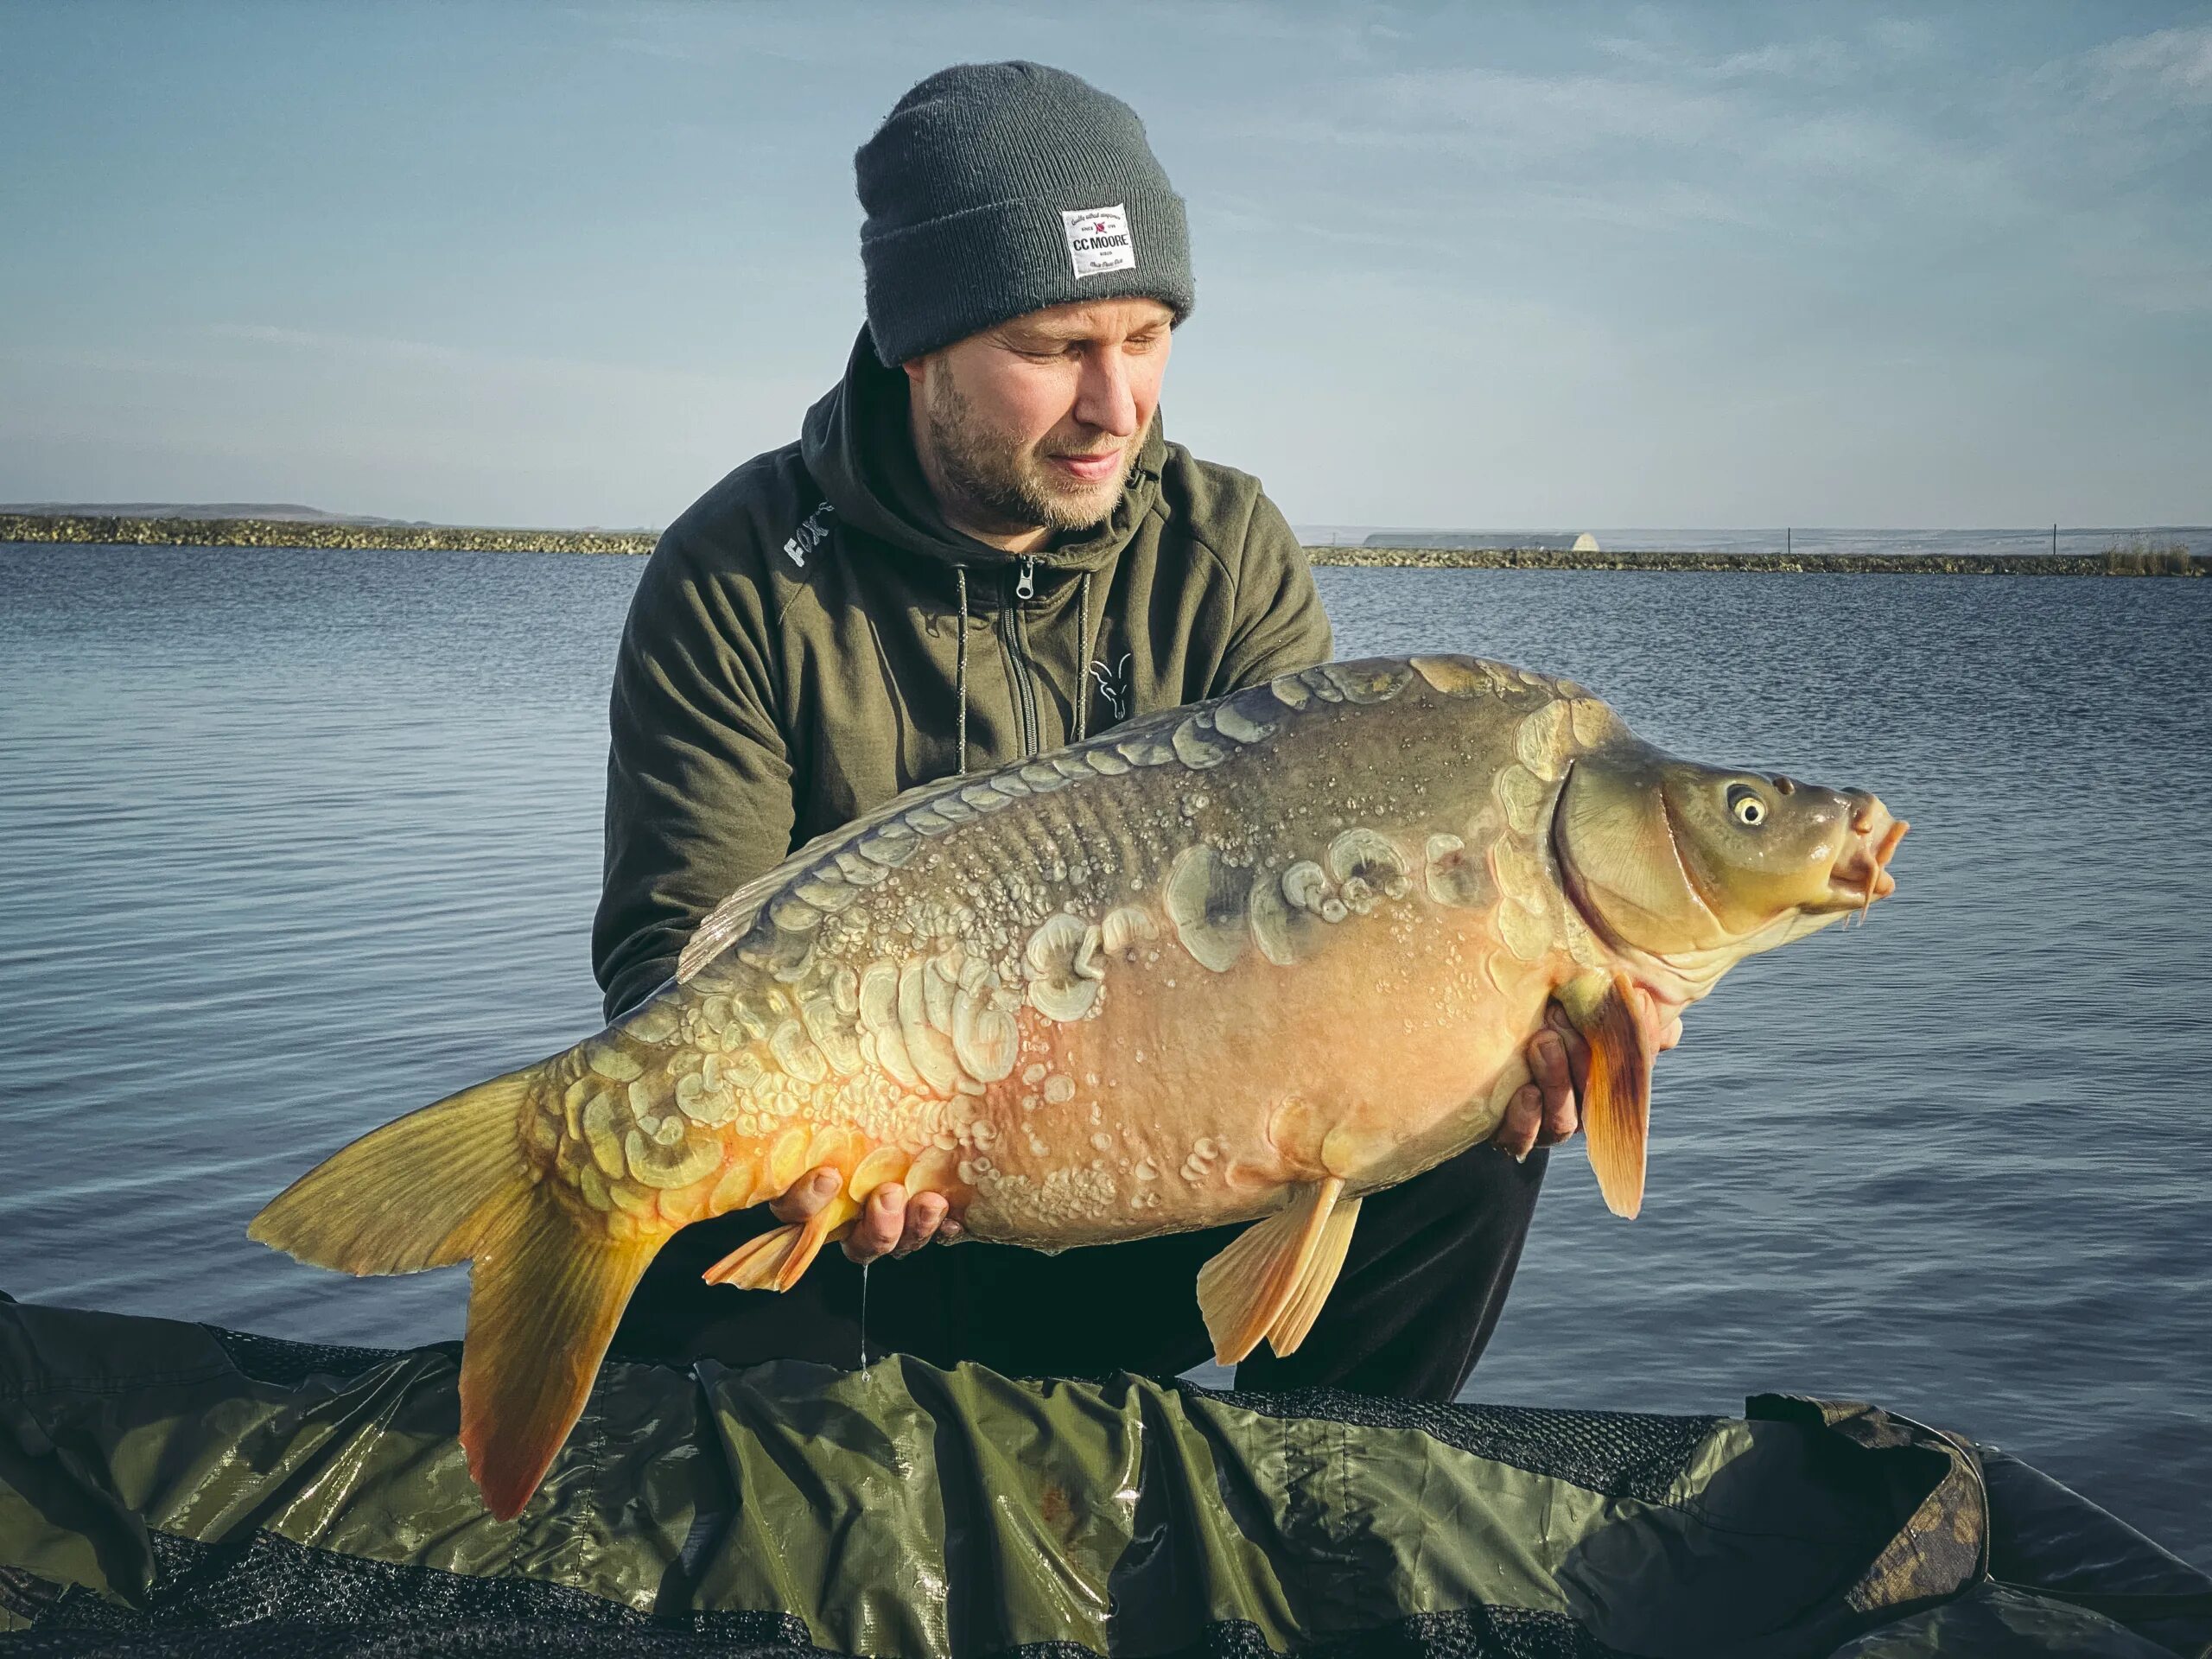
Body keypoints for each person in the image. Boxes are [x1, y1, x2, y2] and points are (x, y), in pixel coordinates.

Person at [594, 61, 1611, 1399]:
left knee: (1470, 1146)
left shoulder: (1225, 550)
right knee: (666, 1145)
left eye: (1144, 338)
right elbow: (673, 955)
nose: (1116, 406)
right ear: (920, 347)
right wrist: (832, 1146)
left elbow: (1315, 914)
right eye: (1055, 349)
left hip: (1144, 1198)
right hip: (844, 1233)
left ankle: (1324, 1535)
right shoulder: (738, 571)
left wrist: (1481, 1043)